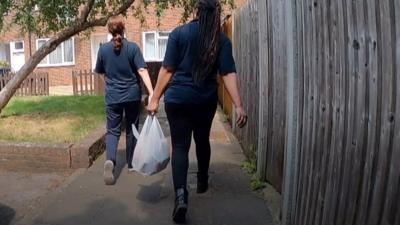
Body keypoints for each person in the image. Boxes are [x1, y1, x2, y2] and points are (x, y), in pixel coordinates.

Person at [147, 0, 247, 222]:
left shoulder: (179, 33)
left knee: (180, 146)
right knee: (202, 140)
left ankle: (181, 196)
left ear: (196, 11)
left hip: (178, 100)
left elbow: (167, 69)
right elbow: (228, 73)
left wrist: (155, 98)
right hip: (204, 100)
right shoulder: (220, 40)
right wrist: (239, 105)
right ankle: (202, 181)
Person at [95, 16, 153, 185]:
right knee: (132, 127)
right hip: (132, 96)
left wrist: (109, 83)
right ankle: (131, 163)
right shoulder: (133, 48)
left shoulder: (103, 50)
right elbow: (142, 70)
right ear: (123, 29)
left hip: (113, 96)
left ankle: (110, 161)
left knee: (112, 130)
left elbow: (100, 71)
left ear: (109, 31)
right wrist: (152, 93)